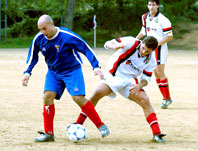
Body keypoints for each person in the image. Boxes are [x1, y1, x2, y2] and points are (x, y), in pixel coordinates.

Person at [21, 14, 110, 142]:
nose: (42, 32)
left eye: (44, 28)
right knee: (47, 96)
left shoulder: (67, 36)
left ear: (52, 24)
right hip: (53, 72)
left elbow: (86, 48)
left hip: (72, 70)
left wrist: (96, 67)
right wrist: (27, 73)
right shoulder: (39, 38)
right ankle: (49, 133)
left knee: (78, 98)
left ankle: (100, 125)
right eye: (40, 29)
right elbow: (32, 56)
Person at [74, 36, 166, 143]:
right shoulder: (131, 42)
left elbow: (146, 78)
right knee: (97, 93)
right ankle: (78, 124)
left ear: (152, 51)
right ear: (142, 43)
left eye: (147, 51)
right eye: (143, 48)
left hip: (130, 81)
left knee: (145, 100)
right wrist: (114, 46)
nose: (144, 51)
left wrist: (139, 85)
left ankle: (157, 133)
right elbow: (107, 43)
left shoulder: (151, 60)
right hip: (113, 76)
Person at [136, 0, 173, 109]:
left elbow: (169, 36)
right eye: (149, 4)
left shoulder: (163, 19)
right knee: (156, 73)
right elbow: (143, 31)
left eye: (153, 5)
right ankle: (165, 98)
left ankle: (167, 98)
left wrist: (157, 44)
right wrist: (135, 40)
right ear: (147, 5)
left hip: (160, 48)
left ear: (158, 6)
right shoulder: (145, 17)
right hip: (148, 48)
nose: (151, 7)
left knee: (160, 72)